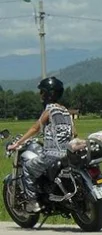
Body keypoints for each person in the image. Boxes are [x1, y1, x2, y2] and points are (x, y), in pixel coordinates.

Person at [7, 77, 76, 213]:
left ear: (48, 94)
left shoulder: (50, 109)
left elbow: (35, 128)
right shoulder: (65, 111)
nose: (40, 95)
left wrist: (17, 143)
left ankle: (33, 203)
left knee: (27, 168)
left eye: (42, 92)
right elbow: (74, 132)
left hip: (52, 154)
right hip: (67, 154)